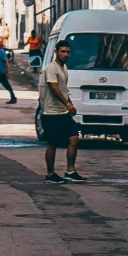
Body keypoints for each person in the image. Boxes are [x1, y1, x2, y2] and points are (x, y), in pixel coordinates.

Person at [40, 38, 84, 182]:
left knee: (74, 138)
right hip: (51, 113)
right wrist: (67, 104)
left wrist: (70, 104)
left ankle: (70, 171)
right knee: (53, 143)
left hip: (63, 112)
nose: (65, 54)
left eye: (68, 52)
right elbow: (54, 89)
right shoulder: (51, 69)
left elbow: (64, 90)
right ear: (56, 52)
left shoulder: (64, 69)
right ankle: (50, 174)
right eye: (62, 52)